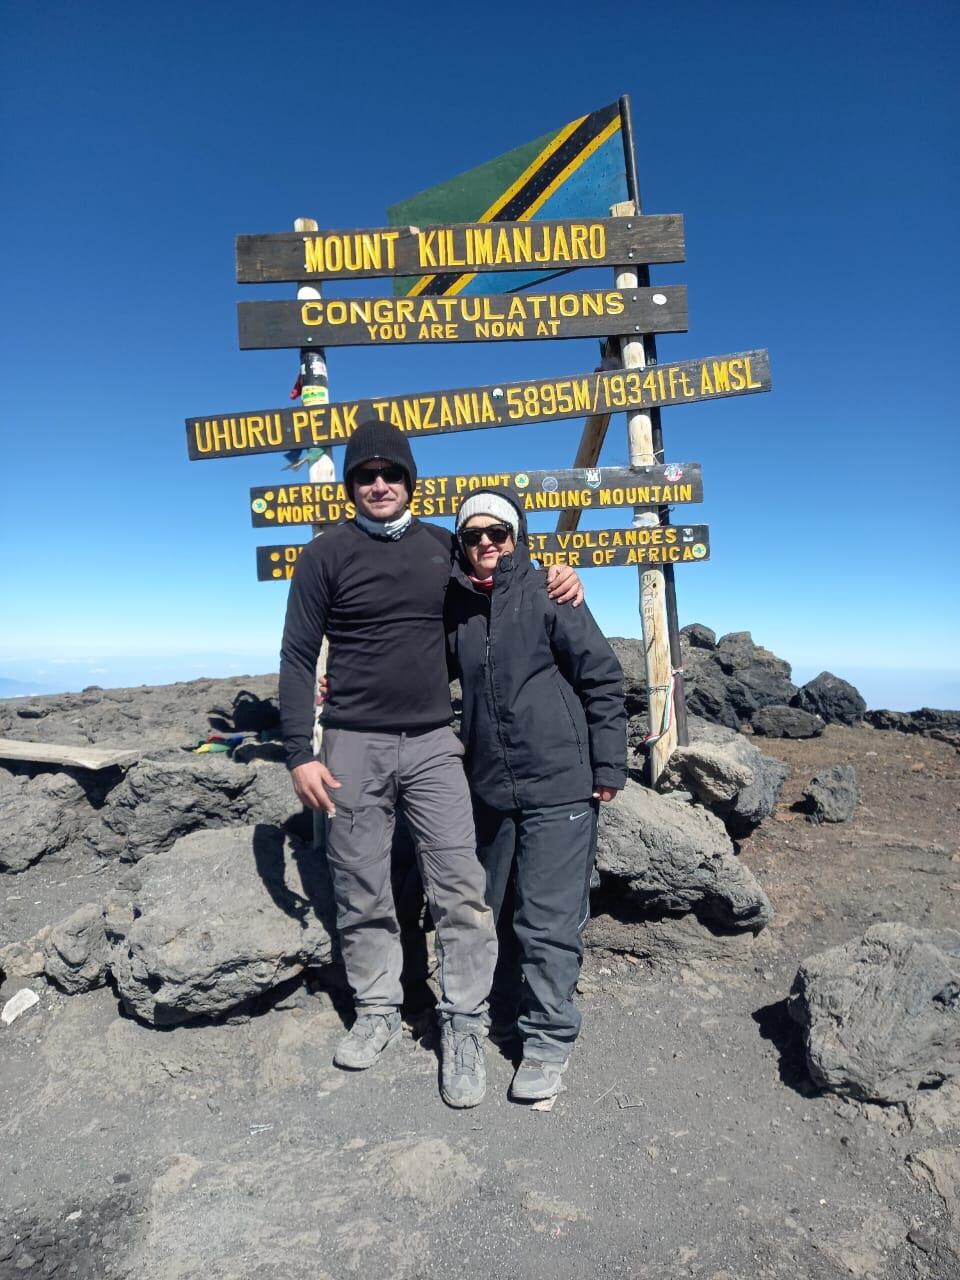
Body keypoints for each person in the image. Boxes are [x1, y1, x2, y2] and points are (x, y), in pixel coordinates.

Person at [278, 418, 583, 1109]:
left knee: (461, 890)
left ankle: (466, 1023)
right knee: (360, 886)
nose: (379, 484)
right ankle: (379, 1008)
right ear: (352, 486)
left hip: (433, 742)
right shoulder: (323, 554)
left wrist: (559, 576)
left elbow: (499, 582)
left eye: (391, 474)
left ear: (410, 481)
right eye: (365, 475)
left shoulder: (444, 546)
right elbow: (298, 657)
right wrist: (299, 750)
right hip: (350, 742)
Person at [445, 488, 627, 1102]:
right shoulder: (458, 610)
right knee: (490, 913)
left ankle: (548, 1039)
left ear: (516, 537)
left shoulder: (551, 593)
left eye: (498, 532)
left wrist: (608, 763)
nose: (487, 543)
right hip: (490, 791)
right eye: (474, 535)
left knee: (548, 920)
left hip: (560, 784)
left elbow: (602, 676)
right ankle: (499, 1014)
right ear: (462, 544)